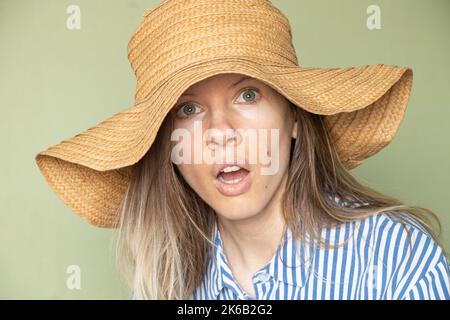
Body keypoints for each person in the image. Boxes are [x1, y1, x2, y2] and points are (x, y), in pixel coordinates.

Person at [35, 0, 450, 300]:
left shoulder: (397, 261)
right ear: (171, 150)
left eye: (247, 95)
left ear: (294, 121)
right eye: (189, 109)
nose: (221, 132)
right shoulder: (162, 285)